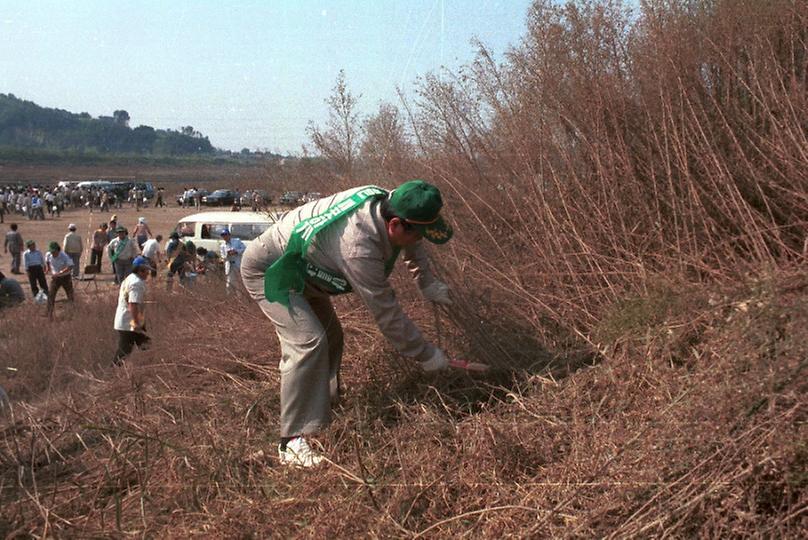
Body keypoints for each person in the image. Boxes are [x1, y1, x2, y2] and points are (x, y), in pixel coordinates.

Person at [240, 180, 454, 467]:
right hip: (271, 270)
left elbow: (415, 242)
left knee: (332, 337)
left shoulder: (390, 202)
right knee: (309, 342)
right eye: (418, 233)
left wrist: (426, 281)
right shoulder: (358, 247)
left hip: (305, 270)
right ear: (395, 226)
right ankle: (292, 441)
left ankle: (323, 412)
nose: (420, 240)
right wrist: (426, 354)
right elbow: (387, 313)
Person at [113, 256, 153, 365]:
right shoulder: (137, 283)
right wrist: (136, 323)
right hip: (129, 323)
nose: (148, 273)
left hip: (128, 321)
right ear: (140, 270)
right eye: (146, 271)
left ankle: (149, 366)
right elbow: (133, 304)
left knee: (147, 346)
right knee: (124, 352)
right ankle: (111, 372)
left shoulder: (130, 278)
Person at [45, 241, 74, 318]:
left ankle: (72, 313)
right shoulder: (48, 255)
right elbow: (47, 261)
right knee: (51, 294)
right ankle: (49, 313)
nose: (53, 253)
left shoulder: (65, 256)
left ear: (58, 250)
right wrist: (48, 268)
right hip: (55, 278)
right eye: (51, 251)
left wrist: (60, 273)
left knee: (70, 295)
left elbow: (70, 266)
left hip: (65, 277)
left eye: (54, 252)